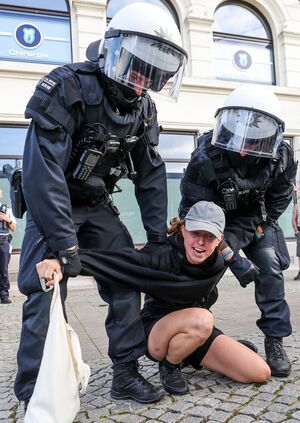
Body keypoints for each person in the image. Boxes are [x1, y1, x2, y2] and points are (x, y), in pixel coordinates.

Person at [14, 2, 188, 407]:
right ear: (114, 51)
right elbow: (45, 175)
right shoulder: (67, 87)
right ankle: (34, 387)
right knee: (45, 289)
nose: (144, 80)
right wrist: (65, 245)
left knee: (127, 279)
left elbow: (151, 175)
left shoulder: (144, 108)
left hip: (97, 204)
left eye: (154, 74)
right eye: (139, 67)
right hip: (52, 204)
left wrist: (158, 236)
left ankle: (125, 373)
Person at [37, 201, 271, 397]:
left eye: (209, 236)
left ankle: (189, 353)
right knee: (203, 319)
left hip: (194, 331)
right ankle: (170, 366)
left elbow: (249, 225)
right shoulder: (160, 255)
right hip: (157, 333)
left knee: (259, 372)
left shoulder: (217, 262)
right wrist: (60, 261)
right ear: (183, 229)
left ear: (220, 240)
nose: (200, 242)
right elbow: (113, 261)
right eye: (195, 232)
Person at [179, 85, 297, 378]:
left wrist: (250, 230)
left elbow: (278, 200)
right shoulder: (205, 156)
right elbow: (192, 212)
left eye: (253, 141)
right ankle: (191, 339)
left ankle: (275, 339)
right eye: (238, 138)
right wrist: (228, 253)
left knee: (269, 267)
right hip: (211, 223)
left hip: (255, 219)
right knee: (202, 272)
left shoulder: (281, 157)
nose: (243, 148)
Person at [0, 189, 16, 304]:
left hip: (3, 243)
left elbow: (14, 228)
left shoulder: (7, 210)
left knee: (3, 271)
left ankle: (4, 296)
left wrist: (8, 219)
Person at [292, 183, 300, 280]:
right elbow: (293, 219)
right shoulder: (297, 206)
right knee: (299, 253)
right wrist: (296, 231)